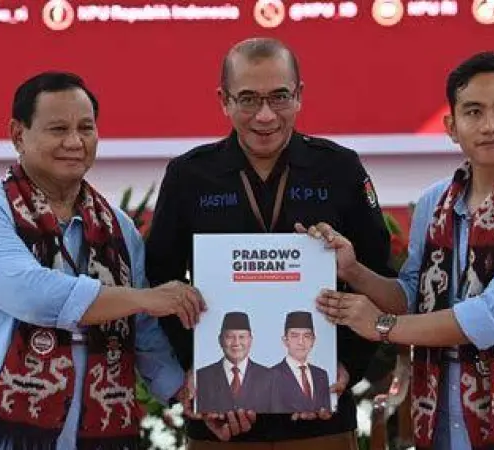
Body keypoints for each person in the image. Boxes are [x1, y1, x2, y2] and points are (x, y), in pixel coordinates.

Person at [308, 51, 494, 449]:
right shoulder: (434, 205)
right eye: (473, 112)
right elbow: (413, 298)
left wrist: (382, 326)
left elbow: (490, 319)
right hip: (443, 426)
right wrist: (353, 271)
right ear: (452, 127)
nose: (490, 125)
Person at [0, 72, 209, 449]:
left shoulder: (118, 227)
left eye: (85, 128)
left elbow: (144, 332)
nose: (74, 142)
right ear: (18, 135)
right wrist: (146, 298)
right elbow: (36, 296)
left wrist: (187, 392)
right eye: (58, 129)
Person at [145, 37, 394, 448]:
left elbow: (378, 276)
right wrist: (194, 370)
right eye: (248, 99)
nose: (265, 116)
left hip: (321, 416)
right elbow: (158, 283)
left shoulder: (339, 168)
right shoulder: (189, 176)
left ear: (299, 96)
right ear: (224, 101)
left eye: (279, 97)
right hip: (222, 421)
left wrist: (347, 366)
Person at [196, 312, 272, 413]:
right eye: (230, 337)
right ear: (220, 340)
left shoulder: (270, 377)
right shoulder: (201, 377)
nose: (236, 343)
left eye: (242, 337)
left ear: (250, 340)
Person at [270, 311, 331, 413]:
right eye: (295, 336)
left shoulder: (321, 375)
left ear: (313, 340)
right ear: (285, 340)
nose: (301, 342)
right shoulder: (271, 376)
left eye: (306, 336)